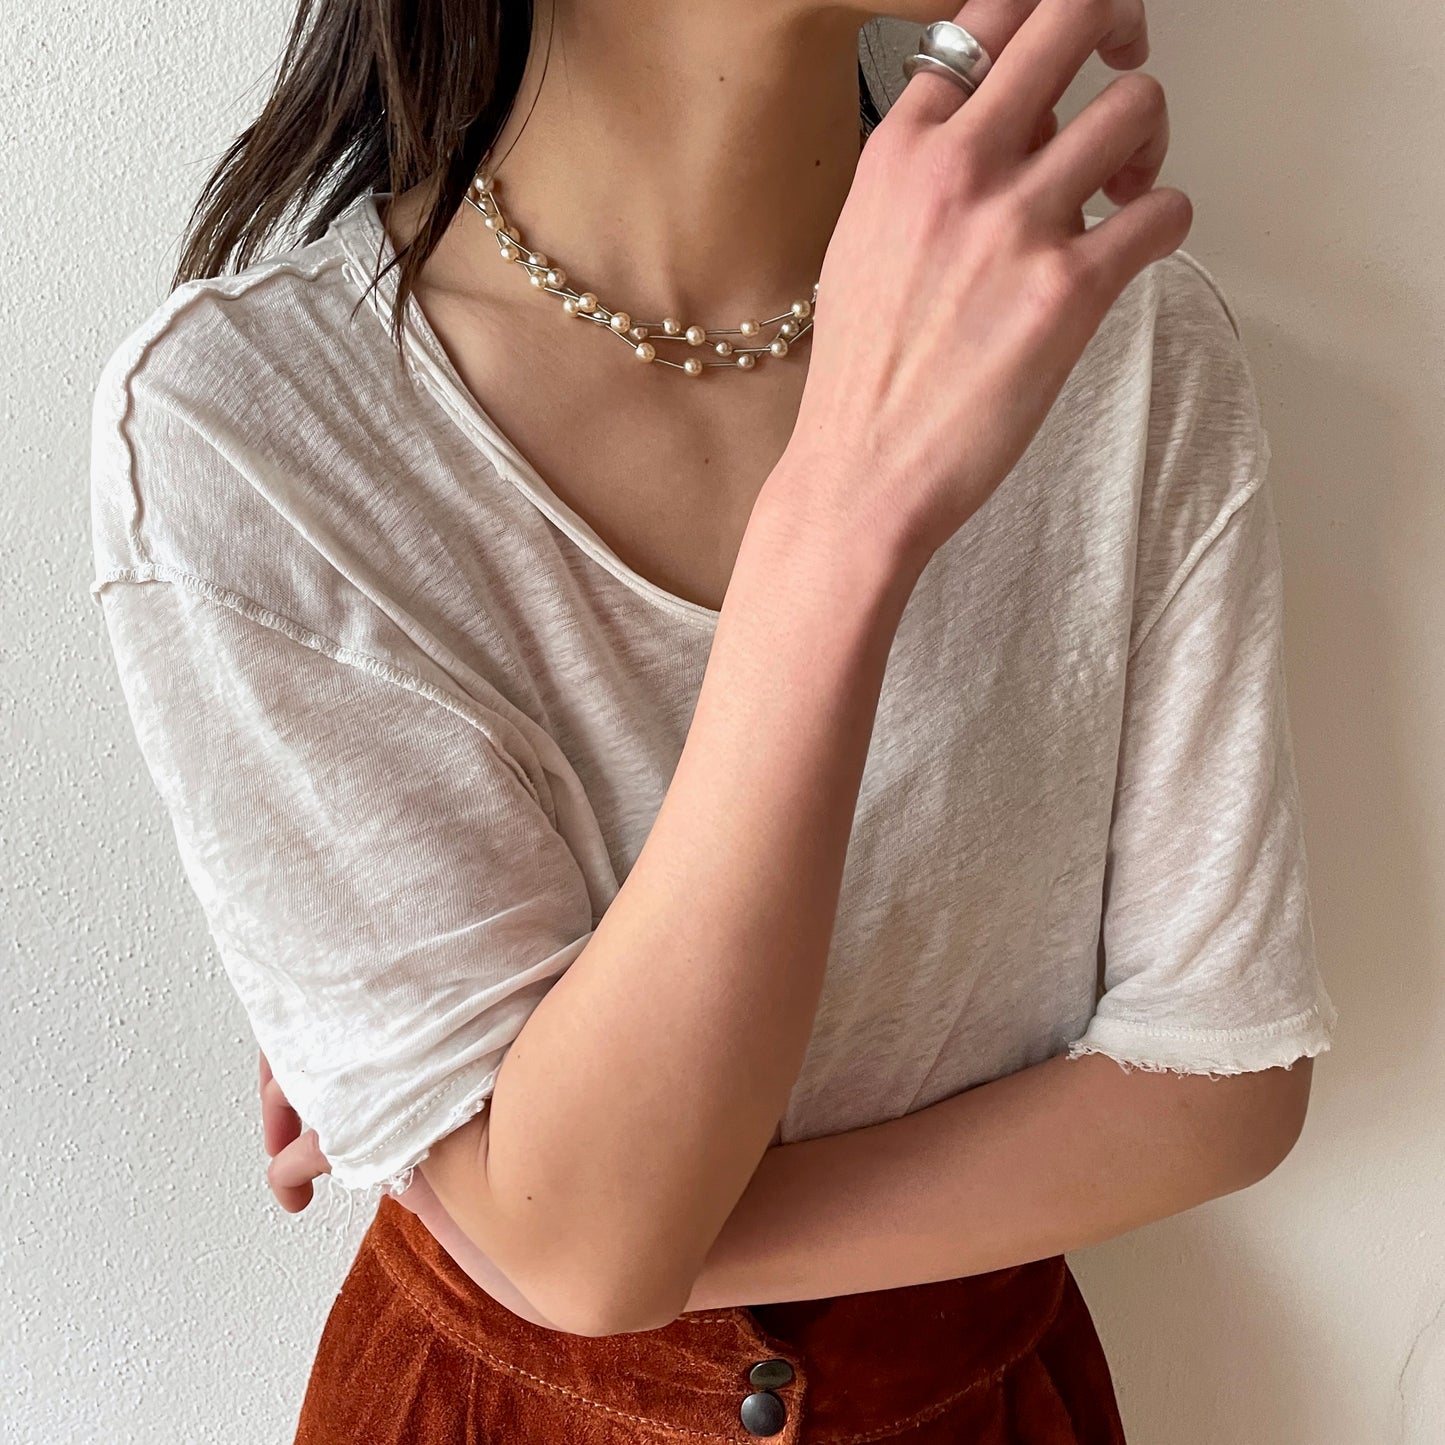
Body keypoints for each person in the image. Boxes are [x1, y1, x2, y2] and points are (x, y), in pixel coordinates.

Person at [88, 0, 1339, 1437]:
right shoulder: (260, 431)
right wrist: (849, 506)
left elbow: (1218, 1077)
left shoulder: (1123, 342)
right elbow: (587, 1244)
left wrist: (545, 1220)